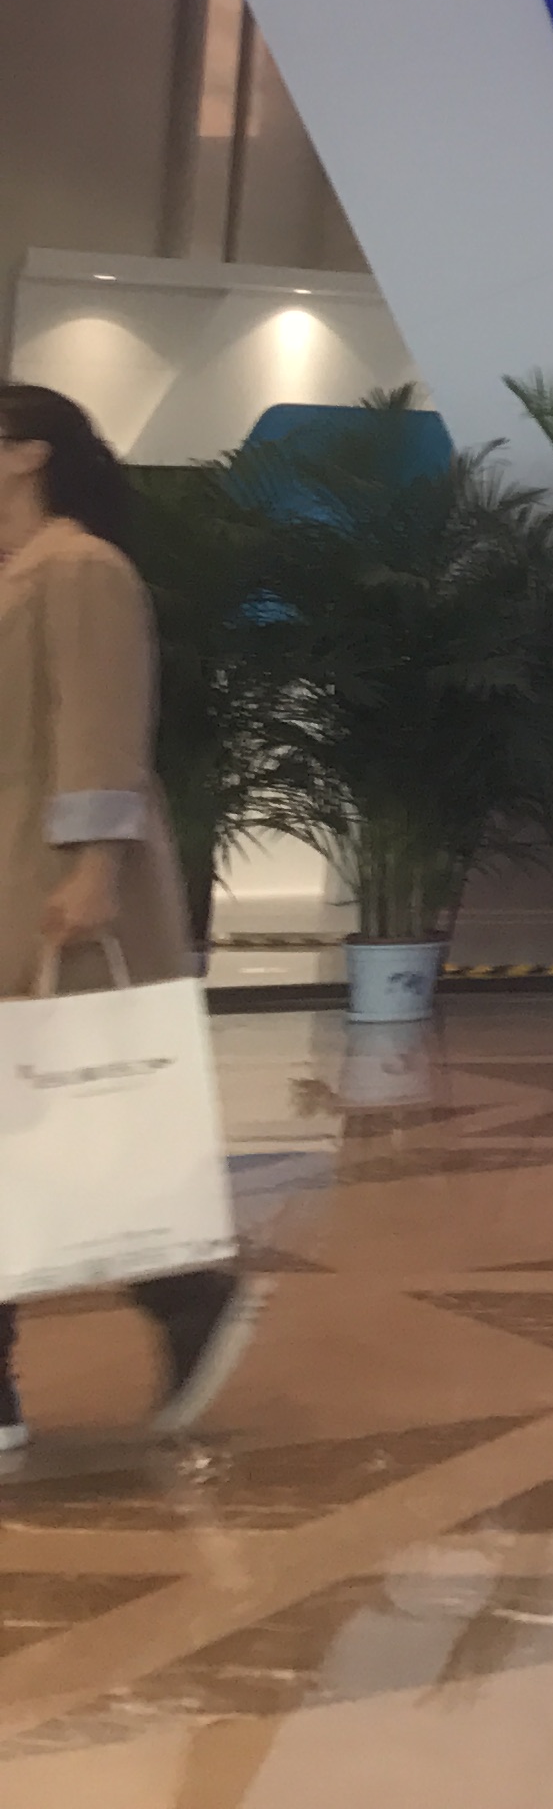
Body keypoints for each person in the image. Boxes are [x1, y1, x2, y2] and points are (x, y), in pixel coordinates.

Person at [0, 385, 258, 1458]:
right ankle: (177, 1297)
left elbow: (103, 725)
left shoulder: (81, 568)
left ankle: (186, 1294)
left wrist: (96, 869)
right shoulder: (20, 573)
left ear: (26, 454)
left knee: (57, 1117)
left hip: (46, 885)